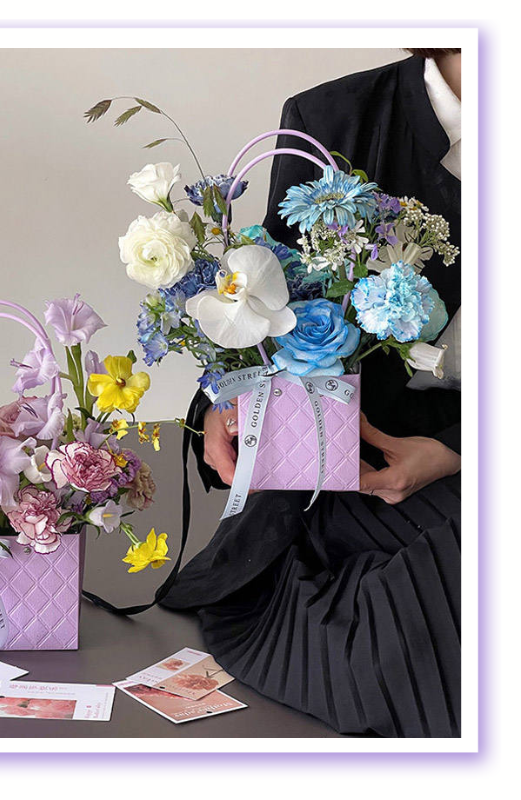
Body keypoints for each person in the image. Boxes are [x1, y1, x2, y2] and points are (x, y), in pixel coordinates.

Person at [159, 50, 463, 737]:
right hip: (357, 479)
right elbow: (271, 316)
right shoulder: (333, 120)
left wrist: (456, 450)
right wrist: (225, 406)